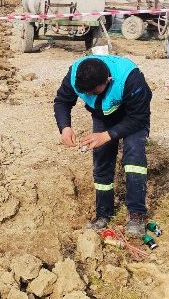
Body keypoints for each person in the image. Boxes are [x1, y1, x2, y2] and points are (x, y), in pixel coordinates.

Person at [53, 55, 152, 236]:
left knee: (134, 157)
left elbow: (139, 118)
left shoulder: (131, 78)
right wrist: (65, 127)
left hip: (132, 115)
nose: (89, 95)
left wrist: (107, 135)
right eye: (86, 93)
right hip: (103, 114)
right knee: (102, 158)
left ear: (108, 80)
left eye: (94, 91)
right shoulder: (75, 74)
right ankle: (103, 214)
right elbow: (62, 101)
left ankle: (136, 215)